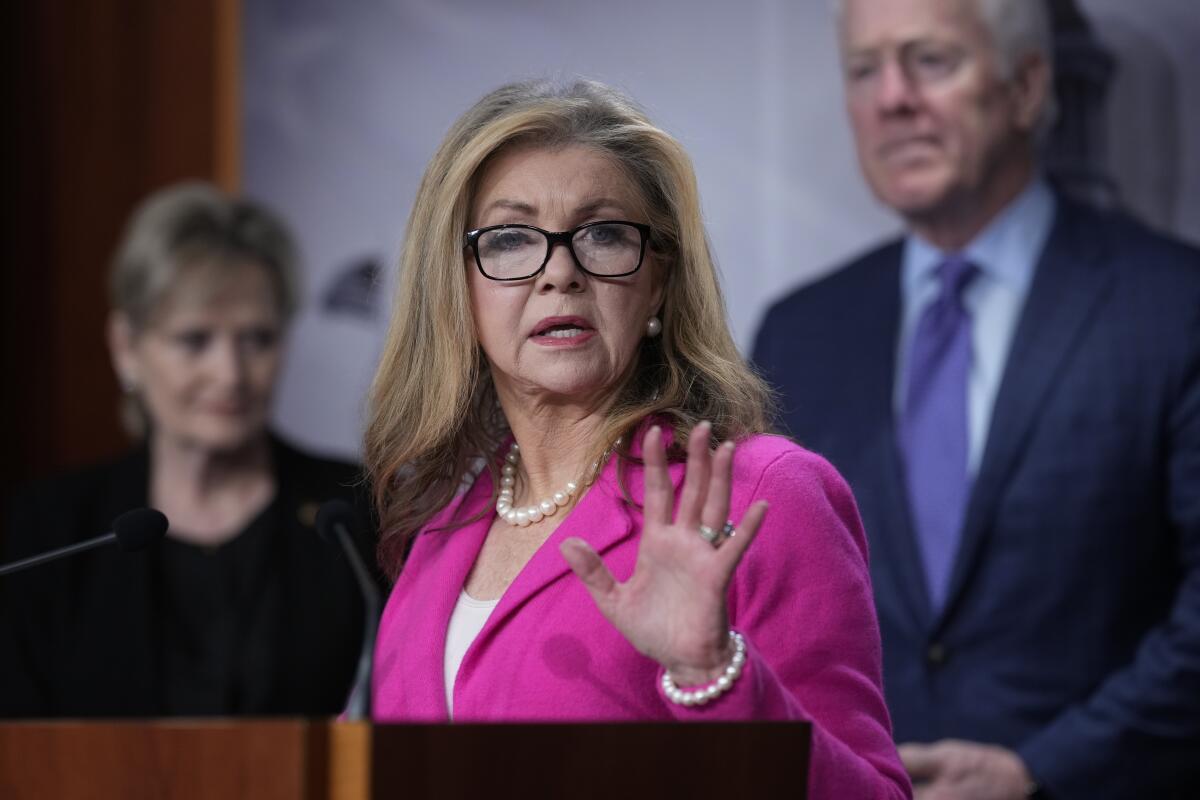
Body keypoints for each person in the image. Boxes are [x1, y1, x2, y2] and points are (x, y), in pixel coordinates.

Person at [363, 79, 911, 798]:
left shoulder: (762, 495)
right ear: (457, 289)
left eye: (604, 235)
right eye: (509, 238)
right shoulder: (439, 528)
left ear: (658, 283)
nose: (561, 272)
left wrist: (714, 674)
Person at [752, 0, 1200, 797]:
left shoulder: (1174, 304)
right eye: (865, 69)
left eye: (929, 60)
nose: (892, 97)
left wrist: (1042, 771)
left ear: (1027, 86)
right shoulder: (799, 335)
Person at [1, 182, 374, 717]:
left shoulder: (351, 512)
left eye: (258, 340)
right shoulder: (55, 528)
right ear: (127, 348)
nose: (230, 374)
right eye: (195, 340)